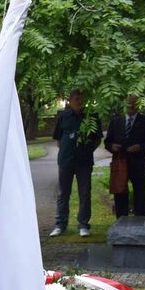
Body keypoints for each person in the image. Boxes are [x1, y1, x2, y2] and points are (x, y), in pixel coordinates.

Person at [50, 89, 102, 237]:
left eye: (81, 99)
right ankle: (60, 224)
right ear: (70, 101)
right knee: (63, 193)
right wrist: (67, 150)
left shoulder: (91, 117)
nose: (79, 102)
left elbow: (98, 139)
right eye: (76, 99)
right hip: (66, 160)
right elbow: (58, 139)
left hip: (84, 161)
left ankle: (83, 224)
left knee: (85, 193)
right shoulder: (63, 117)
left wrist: (86, 150)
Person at [104, 94, 145, 218]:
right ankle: (121, 220)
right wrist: (112, 146)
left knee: (140, 193)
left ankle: (141, 222)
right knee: (120, 192)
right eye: (128, 104)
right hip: (120, 162)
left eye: (134, 104)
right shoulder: (115, 122)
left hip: (138, 163)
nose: (131, 106)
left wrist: (140, 147)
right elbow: (107, 142)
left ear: (138, 105)